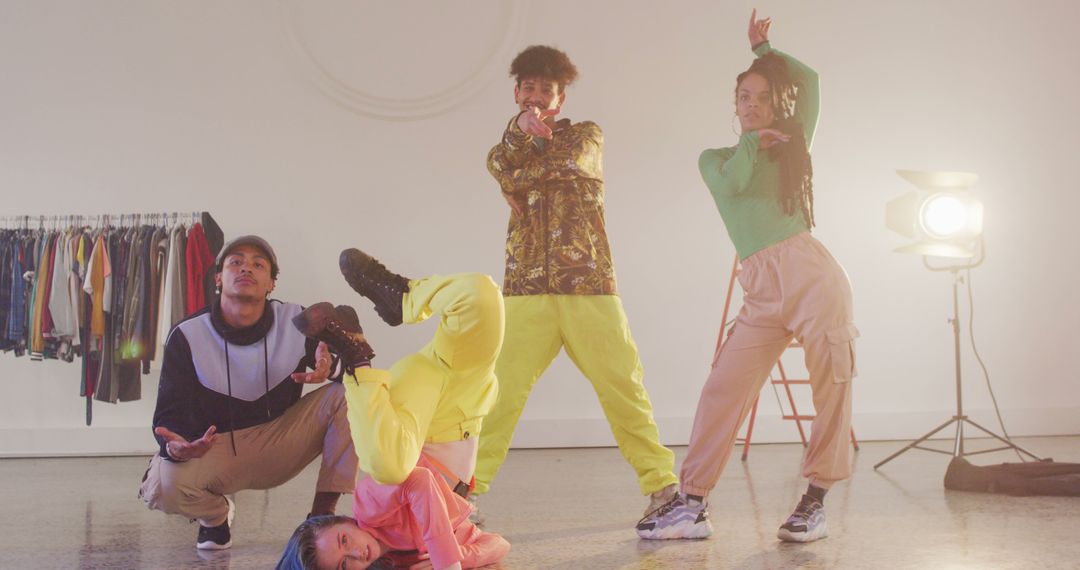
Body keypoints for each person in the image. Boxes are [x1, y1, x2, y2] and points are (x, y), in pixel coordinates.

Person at [637, 11, 859, 543]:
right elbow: (734, 185)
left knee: (831, 383)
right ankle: (691, 503)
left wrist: (765, 52)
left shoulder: (794, 145)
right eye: (744, 98)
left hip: (811, 275)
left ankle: (815, 500)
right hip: (761, 289)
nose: (753, 104)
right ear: (734, 106)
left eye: (762, 96)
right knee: (722, 389)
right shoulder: (715, 158)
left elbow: (813, 82)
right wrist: (753, 143)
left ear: (775, 101)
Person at [473, 44, 679, 519]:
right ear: (517, 93)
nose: (538, 95)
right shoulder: (505, 148)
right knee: (496, 393)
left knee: (623, 387)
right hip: (525, 288)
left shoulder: (586, 135)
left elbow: (562, 165)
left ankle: (664, 491)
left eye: (548, 89)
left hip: (588, 284)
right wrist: (513, 149)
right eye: (530, 87)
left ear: (560, 99)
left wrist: (515, 176)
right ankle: (466, 493)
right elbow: (496, 165)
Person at [277, 250, 510, 570]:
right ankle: (404, 298)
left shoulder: (371, 510)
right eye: (345, 566)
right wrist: (449, 555)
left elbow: (422, 483)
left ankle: (357, 362)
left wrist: (446, 562)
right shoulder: (403, 557)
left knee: (389, 466)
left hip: (418, 413)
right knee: (480, 297)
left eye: (345, 541)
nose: (357, 554)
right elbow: (495, 544)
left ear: (344, 521)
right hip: (464, 410)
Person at [139, 235, 358, 550]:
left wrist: (332, 368)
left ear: (271, 283)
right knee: (161, 485)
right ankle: (215, 517)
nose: (247, 269)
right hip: (216, 448)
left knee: (350, 392)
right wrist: (176, 447)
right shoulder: (188, 335)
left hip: (281, 440)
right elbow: (168, 417)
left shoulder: (295, 320)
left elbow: (357, 366)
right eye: (236, 262)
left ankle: (320, 519)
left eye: (258, 264)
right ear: (218, 277)